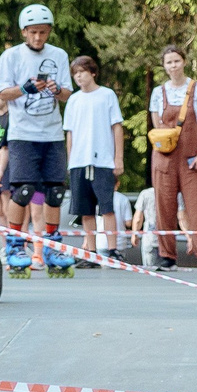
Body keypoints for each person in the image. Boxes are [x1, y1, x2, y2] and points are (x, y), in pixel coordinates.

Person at [0, 6, 75, 272]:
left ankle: (52, 246)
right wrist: (24, 89)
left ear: (49, 31)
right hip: (23, 135)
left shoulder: (59, 55)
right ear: (24, 32)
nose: (38, 38)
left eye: (43, 32)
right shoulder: (11, 55)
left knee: (55, 192)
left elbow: (67, 94)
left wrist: (57, 89)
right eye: (33, 33)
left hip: (51, 133)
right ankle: (15, 244)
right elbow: (3, 93)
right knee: (24, 190)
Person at [146, 46, 197, 265]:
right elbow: (157, 125)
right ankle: (167, 255)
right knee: (164, 206)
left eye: (176, 61)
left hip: (192, 157)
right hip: (164, 157)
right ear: (164, 66)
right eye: (169, 62)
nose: (173, 66)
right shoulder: (158, 92)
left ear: (184, 62)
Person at [63, 56, 125, 258]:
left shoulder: (107, 95)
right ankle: (90, 250)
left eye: (82, 71)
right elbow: (69, 132)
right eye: (75, 73)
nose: (79, 76)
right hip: (79, 162)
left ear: (93, 72)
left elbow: (116, 127)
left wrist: (118, 158)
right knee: (85, 210)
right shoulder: (73, 99)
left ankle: (112, 249)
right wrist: (70, 160)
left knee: (107, 207)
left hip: (103, 161)